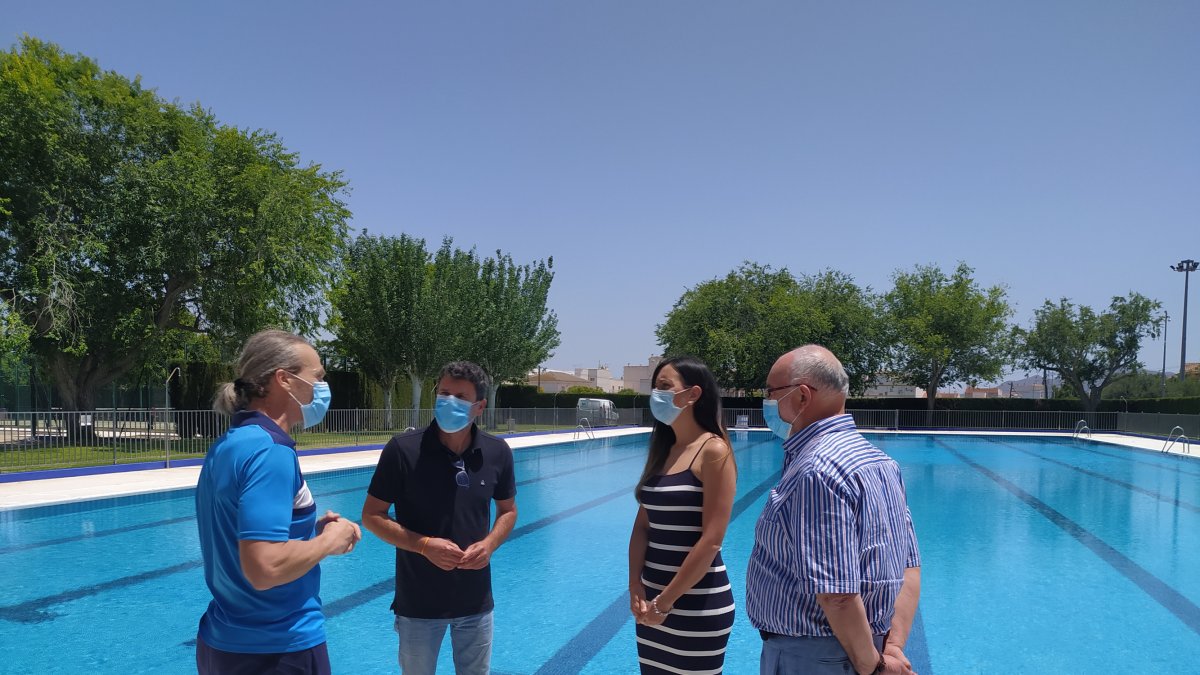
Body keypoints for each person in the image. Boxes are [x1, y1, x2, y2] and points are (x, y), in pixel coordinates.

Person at [746, 345, 922, 675]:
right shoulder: (882, 464)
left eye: (770, 392)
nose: (767, 402)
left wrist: (873, 667)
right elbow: (909, 566)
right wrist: (892, 648)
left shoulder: (817, 471)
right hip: (866, 648)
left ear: (802, 396)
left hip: (816, 658)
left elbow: (837, 594)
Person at [195, 329, 362, 675]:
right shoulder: (270, 452)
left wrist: (307, 531)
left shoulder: (230, 444)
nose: (322, 387)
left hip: (223, 643)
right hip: (276, 649)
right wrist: (329, 542)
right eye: (317, 377)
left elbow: (236, 531)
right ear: (284, 380)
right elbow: (264, 568)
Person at [361, 361, 517, 675]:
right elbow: (372, 516)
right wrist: (424, 545)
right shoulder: (403, 450)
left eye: (460, 397)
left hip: (475, 602)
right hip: (419, 604)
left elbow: (508, 511)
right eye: (444, 393)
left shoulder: (497, 452)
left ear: (479, 406)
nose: (449, 402)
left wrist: (489, 544)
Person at [628, 356, 738, 674]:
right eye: (655, 387)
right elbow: (643, 527)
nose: (656, 395)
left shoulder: (713, 451)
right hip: (651, 603)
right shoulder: (664, 451)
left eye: (665, 386)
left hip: (696, 606)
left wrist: (665, 602)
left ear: (693, 394)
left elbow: (712, 540)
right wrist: (635, 586)